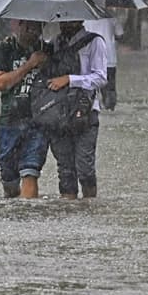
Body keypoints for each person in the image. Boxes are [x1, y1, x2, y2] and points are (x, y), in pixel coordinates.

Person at [43, 19, 109, 199]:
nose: (64, 23)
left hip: (85, 111)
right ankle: (69, 208)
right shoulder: (55, 43)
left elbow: (101, 78)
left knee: (85, 168)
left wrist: (70, 79)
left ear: (80, 19)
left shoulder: (94, 42)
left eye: (69, 19)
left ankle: (89, 205)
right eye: (62, 19)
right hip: (59, 112)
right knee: (65, 170)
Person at [0, 19, 50, 198]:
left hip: (38, 121)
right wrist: (29, 65)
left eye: (37, 28)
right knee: (9, 180)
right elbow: (0, 83)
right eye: (29, 27)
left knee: (30, 171)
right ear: (20, 25)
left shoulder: (47, 50)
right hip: (10, 120)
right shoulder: (5, 48)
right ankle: (15, 207)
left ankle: (29, 213)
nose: (33, 32)